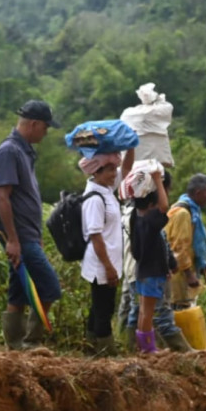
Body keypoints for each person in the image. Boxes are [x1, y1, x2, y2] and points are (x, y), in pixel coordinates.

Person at [0, 100, 63, 350]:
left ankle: (13, 347)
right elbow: (3, 196)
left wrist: (37, 234)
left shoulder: (24, 151)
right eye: (45, 128)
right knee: (50, 287)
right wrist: (12, 240)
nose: (46, 133)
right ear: (34, 124)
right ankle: (30, 343)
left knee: (19, 292)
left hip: (28, 235)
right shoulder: (9, 151)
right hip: (20, 236)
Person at [79, 149, 134, 356]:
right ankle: (107, 354)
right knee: (104, 309)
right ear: (97, 172)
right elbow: (95, 237)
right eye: (110, 170)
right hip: (101, 264)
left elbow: (127, 169)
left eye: (114, 169)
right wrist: (109, 267)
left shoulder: (106, 190)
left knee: (98, 306)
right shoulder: (94, 198)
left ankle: (90, 349)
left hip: (108, 263)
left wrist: (131, 146)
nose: (114, 173)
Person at [132, 169, 173, 353]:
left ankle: (144, 347)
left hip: (142, 271)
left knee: (143, 310)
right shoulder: (150, 221)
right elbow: (164, 206)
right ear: (151, 203)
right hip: (151, 274)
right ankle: (148, 349)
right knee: (148, 312)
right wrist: (157, 179)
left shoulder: (136, 219)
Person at [167, 173, 206, 309]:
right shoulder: (182, 213)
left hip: (186, 271)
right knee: (180, 311)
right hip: (179, 275)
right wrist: (189, 275)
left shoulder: (192, 212)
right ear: (198, 192)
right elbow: (179, 247)